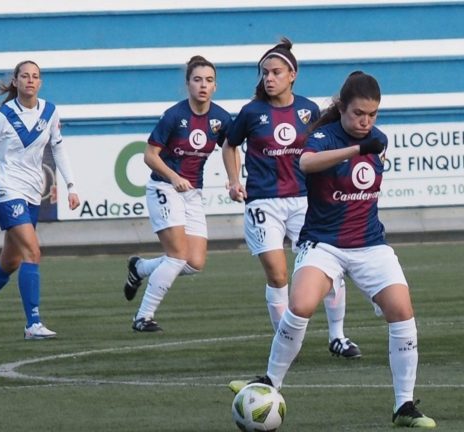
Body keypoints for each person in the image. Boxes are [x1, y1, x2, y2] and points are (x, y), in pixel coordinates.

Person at [230, 71, 436, 428]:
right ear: (342, 107)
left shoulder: (379, 139)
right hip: (323, 243)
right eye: (358, 113)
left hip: (370, 244)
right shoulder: (323, 137)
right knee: (301, 304)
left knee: (403, 313)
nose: (365, 121)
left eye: (372, 115)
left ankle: (403, 406)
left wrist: (368, 144)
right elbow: (306, 164)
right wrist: (357, 148)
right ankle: (269, 382)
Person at [221, 37, 361, 358]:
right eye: (265, 73)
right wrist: (233, 180)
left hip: (304, 201)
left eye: (275, 73)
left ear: (292, 75)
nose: (268, 79)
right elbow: (230, 144)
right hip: (263, 202)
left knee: (328, 267)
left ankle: (337, 336)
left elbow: (324, 147)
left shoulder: (308, 110)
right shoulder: (251, 112)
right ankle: (286, 341)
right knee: (278, 273)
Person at [0, 60, 80, 340]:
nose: (30, 81)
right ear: (16, 81)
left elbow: (58, 149)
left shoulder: (50, 111)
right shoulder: (3, 116)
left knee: (10, 262)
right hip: (7, 189)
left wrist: (71, 185)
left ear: (40, 82)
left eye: (35, 76)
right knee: (33, 252)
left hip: (33, 191)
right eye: (25, 76)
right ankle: (32, 324)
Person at [122, 56, 232, 332]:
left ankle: (141, 269)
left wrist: (233, 181)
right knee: (178, 255)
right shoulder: (174, 116)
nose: (203, 85)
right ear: (188, 84)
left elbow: (230, 147)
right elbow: (149, 156)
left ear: (215, 86)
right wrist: (173, 177)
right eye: (197, 80)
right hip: (163, 186)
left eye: (208, 80)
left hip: (192, 193)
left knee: (195, 262)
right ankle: (142, 317)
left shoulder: (220, 118)